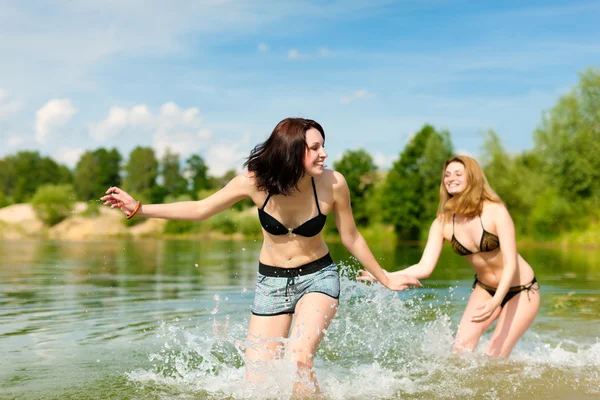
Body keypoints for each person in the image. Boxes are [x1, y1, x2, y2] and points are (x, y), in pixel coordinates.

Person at [101, 117, 420, 397]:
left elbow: (351, 236)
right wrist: (140, 209)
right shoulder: (253, 183)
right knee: (256, 383)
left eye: (324, 146)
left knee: (298, 357)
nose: (324, 153)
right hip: (271, 284)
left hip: (318, 277)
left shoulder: (333, 183)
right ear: (293, 150)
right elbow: (201, 209)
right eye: (315, 147)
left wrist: (385, 277)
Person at [359, 155, 540, 358]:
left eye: (457, 174)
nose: (450, 178)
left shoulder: (496, 212)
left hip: (521, 289)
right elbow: (424, 267)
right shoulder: (443, 223)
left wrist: (497, 301)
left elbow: (510, 265)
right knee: (460, 351)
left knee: (495, 354)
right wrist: (386, 275)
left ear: (472, 178)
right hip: (485, 288)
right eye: (447, 175)